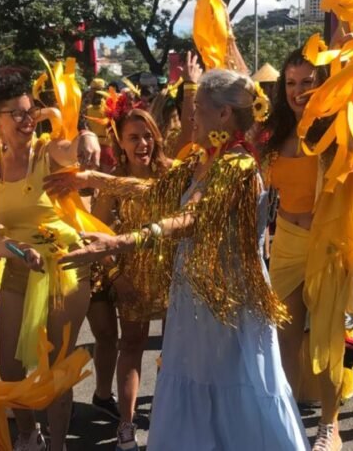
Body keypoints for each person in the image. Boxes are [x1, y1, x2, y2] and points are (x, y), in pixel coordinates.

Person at [47, 68, 308, 450]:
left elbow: (192, 218)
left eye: (198, 109)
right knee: (196, 384)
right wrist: (90, 179)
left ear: (222, 115)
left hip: (227, 304)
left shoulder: (237, 166)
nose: (191, 117)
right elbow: (156, 191)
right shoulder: (203, 160)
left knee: (232, 388)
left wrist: (119, 243)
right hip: (195, 298)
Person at [0, 69, 98, 451]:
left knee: (56, 364)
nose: (26, 120)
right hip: (19, 265)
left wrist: (86, 134)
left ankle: (58, 445)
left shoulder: (45, 151)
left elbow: (70, 147)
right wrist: (17, 251)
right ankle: (26, 435)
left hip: (64, 267)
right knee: (9, 365)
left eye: (29, 112)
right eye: (16, 114)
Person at [262, 48, 345, 450]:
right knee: (284, 341)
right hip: (286, 244)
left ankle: (330, 426)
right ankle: (288, 420)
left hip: (328, 244)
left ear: (322, 83)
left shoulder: (338, 128)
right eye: (291, 83)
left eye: (307, 82)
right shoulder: (274, 133)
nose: (298, 91)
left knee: (329, 337)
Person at [86, 109, 171, 449]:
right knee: (131, 345)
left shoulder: (172, 173)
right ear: (120, 142)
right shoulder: (111, 182)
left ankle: (170, 417)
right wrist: (118, 278)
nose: (143, 143)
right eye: (134, 137)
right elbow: (96, 235)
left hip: (169, 275)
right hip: (131, 277)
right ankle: (126, 425)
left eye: (148, 134)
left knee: (174, 350)